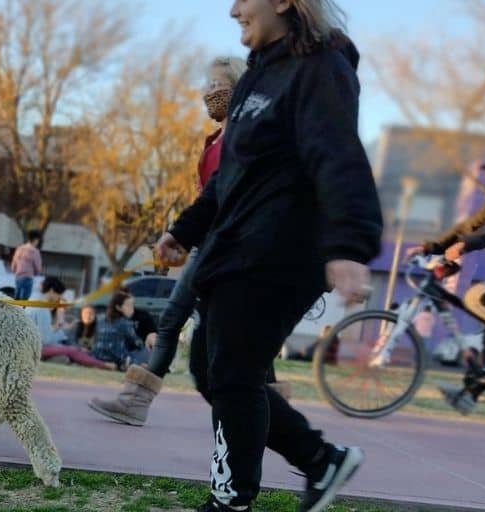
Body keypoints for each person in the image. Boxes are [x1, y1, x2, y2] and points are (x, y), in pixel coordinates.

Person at [155, 1, 383, 510]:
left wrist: (349, 245)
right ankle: (321, 460)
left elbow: (338, 154)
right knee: (210, 370)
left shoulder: (322, 67)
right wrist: (185, 230)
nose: (234, 8)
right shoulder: (257, 81)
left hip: (282, 252)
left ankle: (231, 499)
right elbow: (230, 178)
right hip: (234, 249)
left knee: (233, 373)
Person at [90, 54, 290, 423]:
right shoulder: (215, 139)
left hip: (226, 246)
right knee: (197, 326)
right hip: (207, 244)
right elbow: (206, 195)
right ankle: (272, 412)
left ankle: (271, 415)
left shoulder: (246, 137)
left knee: (214, 329)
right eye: (208, 85)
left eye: (219, 84)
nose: (211, 91)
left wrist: (187, 234)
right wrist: (183, 234)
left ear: (240, 85)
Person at [406, 149, 485, 414]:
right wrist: (432, 246)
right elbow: (468, 227)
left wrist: (465, 246)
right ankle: (470, 395)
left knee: (478, 297)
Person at [25, 278, 116, 370]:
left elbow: (42, 334)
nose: (59, 298)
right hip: (36, 348)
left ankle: (92, 363)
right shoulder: (42, 308)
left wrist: (58, 332)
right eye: (59, 295)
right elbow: (46, 340)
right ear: (52, 291)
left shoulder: (32, 301)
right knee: (73, 350)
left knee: (68, 351)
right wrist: (61, 334)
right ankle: (103, 365)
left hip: (31, 346)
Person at [91, 291, 151, 371]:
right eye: (128, 305)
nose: (132, 309)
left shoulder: (101, 321)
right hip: (117, 358)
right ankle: (129, 364)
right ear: (118, 307)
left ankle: (134, 364)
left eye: (132, 305)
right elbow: (137, 343)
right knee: (147, 351)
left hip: (98, 356)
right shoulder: (125, 323)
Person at [11, 230, 43, 300]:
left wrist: (14, 270)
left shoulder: (20, 248)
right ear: (35, 240)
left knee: (17, 298)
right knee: (24, 300)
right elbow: (38, 268)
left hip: (18, 277)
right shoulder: (35, 251)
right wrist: (36, 273)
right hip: (28, 277)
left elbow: (13, 264)